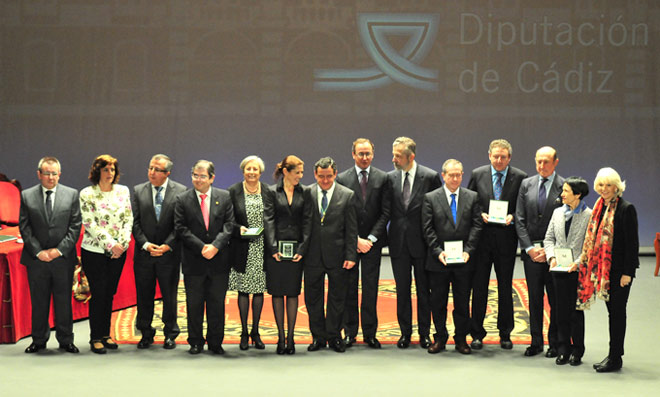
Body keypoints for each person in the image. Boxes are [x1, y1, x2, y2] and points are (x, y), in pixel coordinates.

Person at [577, 168, 638, 373]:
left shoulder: (625, 208)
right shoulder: (598, 207)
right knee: (612, 312)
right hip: (603, 271)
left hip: (619, 272)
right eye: (601, 185)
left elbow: (632, 245)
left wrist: (628, 273)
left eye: (609, 185)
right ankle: (612, 355)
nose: (604, 189)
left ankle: (615, 357)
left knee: (617, 314)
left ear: (617, 186)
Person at [467, 139, 527, 350]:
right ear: (489, 156)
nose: (499, 160)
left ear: (509, 158)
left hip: (506, 241)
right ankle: (476, 333)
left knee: (504, 287)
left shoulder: (520, 177)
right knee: (479, 287)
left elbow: (523, 207)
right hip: (482, 242)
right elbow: (469, 202)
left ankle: (505, 333)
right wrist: (480, 214)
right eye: (496, 156)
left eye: (503, 157)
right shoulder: (477, 174)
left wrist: (513, 216)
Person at [19, 157, 82, 354]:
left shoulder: (71, 195)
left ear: (59, 175)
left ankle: (66, 340)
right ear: (39, 174)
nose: (51, 177)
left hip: (62, 259)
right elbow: (24, 226)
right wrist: (38, 252)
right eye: (47, 173)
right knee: (39, 302)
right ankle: (38, 340)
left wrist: (57, 251)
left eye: (54, 173)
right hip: (36, 260)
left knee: (63, 302)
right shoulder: (27, 195)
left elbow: (75, 226)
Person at [421, 159, 482, 355]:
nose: (455, 178)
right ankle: (439, 338)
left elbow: (477, 226)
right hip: (439, 261)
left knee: (462, 302)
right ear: (443, 175)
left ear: (462, 175)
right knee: (437, 302)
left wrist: (469, 251)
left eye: (458, 175)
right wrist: (438, 252)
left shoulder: (472, 197)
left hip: (464, 261)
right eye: (451, 175)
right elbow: (427, 228)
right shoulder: (431, 198)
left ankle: (461, 339)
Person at [174, 160, 234, 355]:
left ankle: (215, 342)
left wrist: (215, 246)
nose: (198, 180)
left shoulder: (224, 197)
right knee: (194, 303)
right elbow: (181, 228)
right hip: (194, 260)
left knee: (217, 303)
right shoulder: (182, 199)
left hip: (219, 260)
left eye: (202, 176)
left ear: (211, 178)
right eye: (195, 175)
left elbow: (229, 225)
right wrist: (202, 247)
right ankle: (196, 341)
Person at [388, 136, 442, 349]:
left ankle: (424, 333)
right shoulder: (390, 178)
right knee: (402, 290)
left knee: (423, 291)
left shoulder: (429, 177)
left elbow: (437, 211)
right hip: (398, 244)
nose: (394, 159)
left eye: (398, 156)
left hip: (422, 244)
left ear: (411, 157)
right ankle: (404, 333)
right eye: (393, 155)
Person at [336, 138, 390, 349]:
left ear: (373, 154)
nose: (364, 157)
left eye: (368, 153)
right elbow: (341, 213)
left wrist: (371, 239)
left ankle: (370, 333)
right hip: (351, 243)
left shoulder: (383, 178)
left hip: (373, 244)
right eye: (361, 154)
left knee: (370, 289)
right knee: (349, 288)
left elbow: (386, 212)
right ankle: (350, 332)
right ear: (353, 154)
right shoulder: (342, 178)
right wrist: (356, 239)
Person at [131, 154, 186, 350]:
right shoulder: (138, 191)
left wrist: (167, 245)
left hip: (168, 255)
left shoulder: (180, 191)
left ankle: (170, 333)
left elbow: (180, 224)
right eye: (150, 168)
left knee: (169, 296)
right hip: (144, 254)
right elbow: (135, 223)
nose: (152, 173)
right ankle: (145, 332)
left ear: (167, 173)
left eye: (157, 170)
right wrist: (146, 244)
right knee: (144, 295)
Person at [79, 154, 133, 354]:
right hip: (94, 251)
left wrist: (123, 244)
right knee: (99, 293)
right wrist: (111, 245)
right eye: (105, 169)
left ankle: (106, 334)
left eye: (112, 170)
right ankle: (95, 337)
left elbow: (128, 219)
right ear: (97, 171)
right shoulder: (87, 193)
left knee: (109, 293)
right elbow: (90, 223)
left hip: (119, 252)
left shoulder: (122, 191)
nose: (109, 173)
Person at [304, 157, 358, 353]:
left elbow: (352, 229)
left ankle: (334, 336)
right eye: (321, 176)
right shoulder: (307, 193)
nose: (325, 181)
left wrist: (351, 255)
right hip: (312, 256)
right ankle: (318, 337)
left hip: (338, 256)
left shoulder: (348, 195)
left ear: (335, 174)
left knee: (337, 297)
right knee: (313, 298)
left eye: (329, 176)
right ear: (315, 175)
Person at [515, 146, 564, 357]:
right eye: (538, 162)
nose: (542, 166)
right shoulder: (526, 184)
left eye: (546, 161)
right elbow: (519, 218)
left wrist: (550, 250)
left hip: (554, 255)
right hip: (532, 254)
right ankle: (536, 342)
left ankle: (554, 343)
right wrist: (529, 248)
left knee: (555, 299)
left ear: (555, 162)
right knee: (534, 299)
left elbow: (567, 221)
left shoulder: (565, 186)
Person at [263, 155, 311, 354]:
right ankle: (280, 338)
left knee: (292, 293)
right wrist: (273, 249)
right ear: (286, 172)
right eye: (297, 172)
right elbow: (269, 220)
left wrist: (302, 248)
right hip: (276, 252)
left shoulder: (305, 192)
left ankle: (290, 338)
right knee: (276, 293)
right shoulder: (271, 192)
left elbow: (308, 221)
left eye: (301, 172)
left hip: (296, 251)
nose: (300, 176)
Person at [544, 177, 592, 366]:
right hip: (558, 270)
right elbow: (548, 239)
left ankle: (577, 350)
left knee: (575, 312)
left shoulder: (589, 215)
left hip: (576, 272)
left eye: (565, 191)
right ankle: (563, 348)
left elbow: (590, 246)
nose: (562, 194)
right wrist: (551, 257)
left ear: (577, 194)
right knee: (559, 311)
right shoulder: (557, 213)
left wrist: (578, 263)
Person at [227, 156, 269, 351]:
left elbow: (273, 218)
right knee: (243, 290)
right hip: (241, 247)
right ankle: (243, 332)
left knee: (259, 290)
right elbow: (227, 220)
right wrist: (238, 229)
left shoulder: (268, 191)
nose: (252, 172)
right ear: (243, 171)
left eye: (255, 169)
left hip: (262, 248)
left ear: (260, 172)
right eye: (248, 169)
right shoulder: (233, 191)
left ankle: (256, 332)